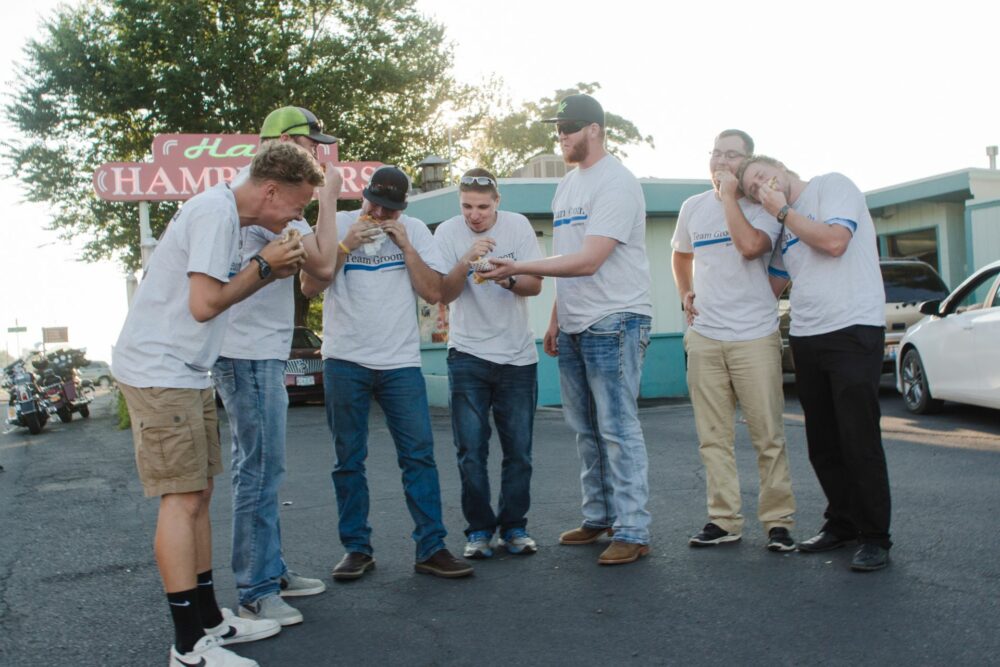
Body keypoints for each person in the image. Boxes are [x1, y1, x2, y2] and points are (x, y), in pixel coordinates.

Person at [112, 141, 324, 666]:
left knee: (200, 492)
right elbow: (205, 304)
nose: (297, 218)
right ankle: (188, 646)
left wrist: (265, 265)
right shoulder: (214, 212)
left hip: (187, 371)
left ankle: (210, 619)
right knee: (181, 500)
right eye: (296, 206)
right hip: (160, 371)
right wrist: (265, 266)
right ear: (271, 190)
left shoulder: (225, 213)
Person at [480, 93, 653, 566]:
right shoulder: (566, 187)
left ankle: (633, 529)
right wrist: (558, 318)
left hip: (615, 318)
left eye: (570, 127)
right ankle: (599, 516)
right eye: (558, 128)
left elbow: (591, 258)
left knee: (617, 428)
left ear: (595, 130)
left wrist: (518, 264)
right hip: (578, 322)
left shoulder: (616, 183)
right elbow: (565, 259)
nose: (562, 135)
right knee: (586, 429)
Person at [300, 166, 473, 579]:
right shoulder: (338, 224)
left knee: (419, 456)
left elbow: (434, 292)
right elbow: (309, 285)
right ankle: (357, 549)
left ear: (403, 209)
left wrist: (407, 247)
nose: (378, 215)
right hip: (345, 359)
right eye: (373, 204)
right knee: (348, 459)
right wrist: (343, 246)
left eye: (389, 210)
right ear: (363, 195)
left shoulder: (413, 229)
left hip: (400, 363)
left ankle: (431, 548)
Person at [212, 106, 341, 628]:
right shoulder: (255, 201)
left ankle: (272, 570)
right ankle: (257, 589)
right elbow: (325, 264)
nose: (320, 153)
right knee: (259, 469)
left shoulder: (285, 203)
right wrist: (329, 197)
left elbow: (321, 267)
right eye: (313, 143)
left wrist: (321, 203)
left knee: (264, 466)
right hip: (242, 351)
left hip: (262, 350)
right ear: (284, 143)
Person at [738, 155, 892, 572]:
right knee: (822, 441)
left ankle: (876, 536)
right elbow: (770, 285)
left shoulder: (832, 186)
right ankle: (841, 522)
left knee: (857, 436)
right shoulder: (784, 226)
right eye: (752, 188)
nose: (760, 187)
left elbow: (835, 242)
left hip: (853, 328)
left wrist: (782, 211)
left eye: (762, 176)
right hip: (807, 335)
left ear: (781, 168)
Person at [671, 130, 797, 552]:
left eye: (732, 155)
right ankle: (723, 521)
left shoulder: (761, 206)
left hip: (754, 337)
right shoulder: (691, 207)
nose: (721, 161)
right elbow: (680, 253)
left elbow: (749, 247)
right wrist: (684, 291)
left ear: (747, 163)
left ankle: (778, 523)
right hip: (705, 336)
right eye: (716, 153)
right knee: (713, 437)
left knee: (768, 436)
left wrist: (728, 196)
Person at [435, 168, 544, 559]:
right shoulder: (448, 232)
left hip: (517, 356)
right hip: (467, 355)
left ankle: (514, 528)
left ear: (497, 202)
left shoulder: (518, 227)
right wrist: (466, 260)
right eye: (467, 206)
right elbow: (441, 293)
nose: (474, 215)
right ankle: (479, 531)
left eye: (482, 206)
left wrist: (507, 276)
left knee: (519, 451)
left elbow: (535, 284)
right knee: (470, 450)